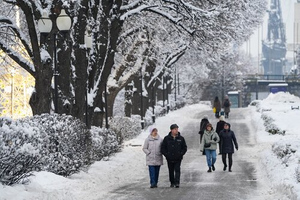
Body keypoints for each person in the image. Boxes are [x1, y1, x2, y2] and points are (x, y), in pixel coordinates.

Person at [161, 124, 187, 188]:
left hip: (178, 157)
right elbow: (163, 148)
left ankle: (177, 182)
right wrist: (166, 154)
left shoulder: (181, 138)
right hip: (169, 157)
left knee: (177, 170)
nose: (176, 130)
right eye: (175, 129)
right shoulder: (167, 138)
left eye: (177, 129)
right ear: (171, 130)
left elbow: (184, 147)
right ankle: (172, 182)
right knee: (171, 170)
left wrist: (181, 153)